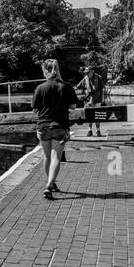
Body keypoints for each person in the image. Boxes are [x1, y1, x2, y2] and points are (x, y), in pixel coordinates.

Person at [32, 58, 80, 200]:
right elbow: (72, 107)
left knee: (47, 157)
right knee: (56, 157)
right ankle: (49, 185)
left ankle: (50, 184)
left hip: (43, 126)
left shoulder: (40, 88)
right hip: (60, 126)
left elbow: (35, 109)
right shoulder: (66, 86)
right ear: (57, 70)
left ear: (46, 71)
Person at [77, 64, 105, 137]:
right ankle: (90, 130)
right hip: (88, 101)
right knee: (89, 116)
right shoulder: (85, 78)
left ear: (92, 71)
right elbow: (78, 87)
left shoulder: (99, 77)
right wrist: (84, 93)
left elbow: (102, 89)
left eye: (88, 72)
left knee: (97, 116)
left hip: (97, 100)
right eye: (86, 72)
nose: (87, 74)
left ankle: (98, 130)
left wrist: (102, 98)